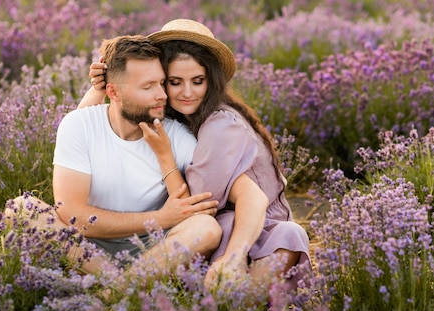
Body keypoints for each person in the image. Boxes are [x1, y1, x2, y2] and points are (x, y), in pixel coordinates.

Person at [81, 20, 311, 289]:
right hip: (209, 227)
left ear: (210, 80)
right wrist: (103, 87)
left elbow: (197, 207)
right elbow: (82, 131)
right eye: (175, 82)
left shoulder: (220, 125)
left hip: (248, 231)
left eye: (198, 81)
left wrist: (165, 158)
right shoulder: (177, 118)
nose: (187, 93)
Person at [6, 34, 222, 276]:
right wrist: (160, 218)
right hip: (86, 246)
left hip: (153, 249)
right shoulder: (80, 124)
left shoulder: (178, 136)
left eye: (161, 83)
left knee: (207, 228)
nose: (162, 94)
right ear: (114, 92)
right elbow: (73, 215)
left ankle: (114, 288)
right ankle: (121, 285)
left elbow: (193, 211)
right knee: (21, 208)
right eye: (148, 86)